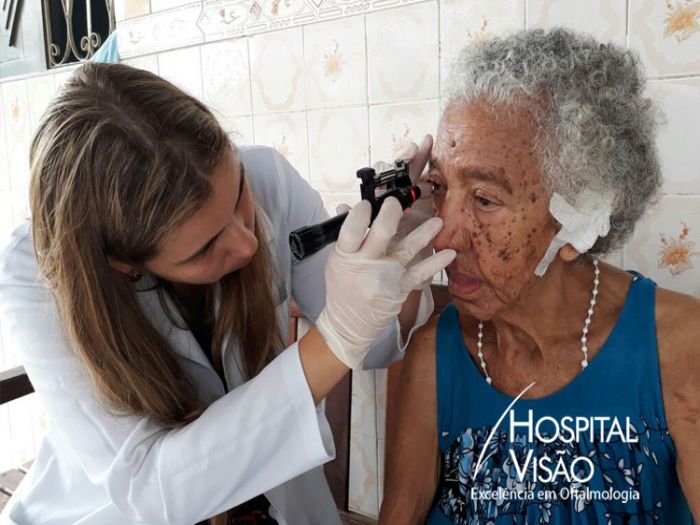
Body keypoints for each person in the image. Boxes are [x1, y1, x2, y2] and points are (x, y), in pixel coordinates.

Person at [0, 62, 456, 525]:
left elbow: (375, 345)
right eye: (204, 249)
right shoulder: (35, 274)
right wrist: (336, 338)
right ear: (124, 263)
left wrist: (394, 255)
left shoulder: (267, 178)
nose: (248, 244)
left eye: (239, 194)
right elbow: (156, 490)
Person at [379, 28, 699, 524]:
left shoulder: (678, 346)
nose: (444, 238)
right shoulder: (434, 355)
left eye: (484, 199)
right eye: (440, 187)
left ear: (579, 218)